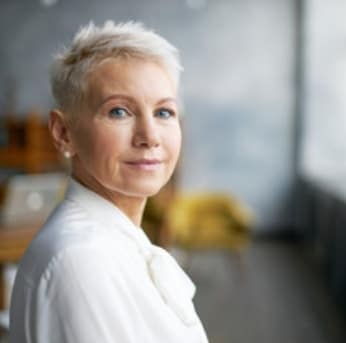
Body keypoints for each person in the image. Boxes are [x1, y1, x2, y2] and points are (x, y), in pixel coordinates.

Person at [9, 21, 209, 343]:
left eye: (164, 112)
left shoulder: (116, 241)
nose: (149, 137)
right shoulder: (82, 261)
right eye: (118, 112)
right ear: (63, 133)